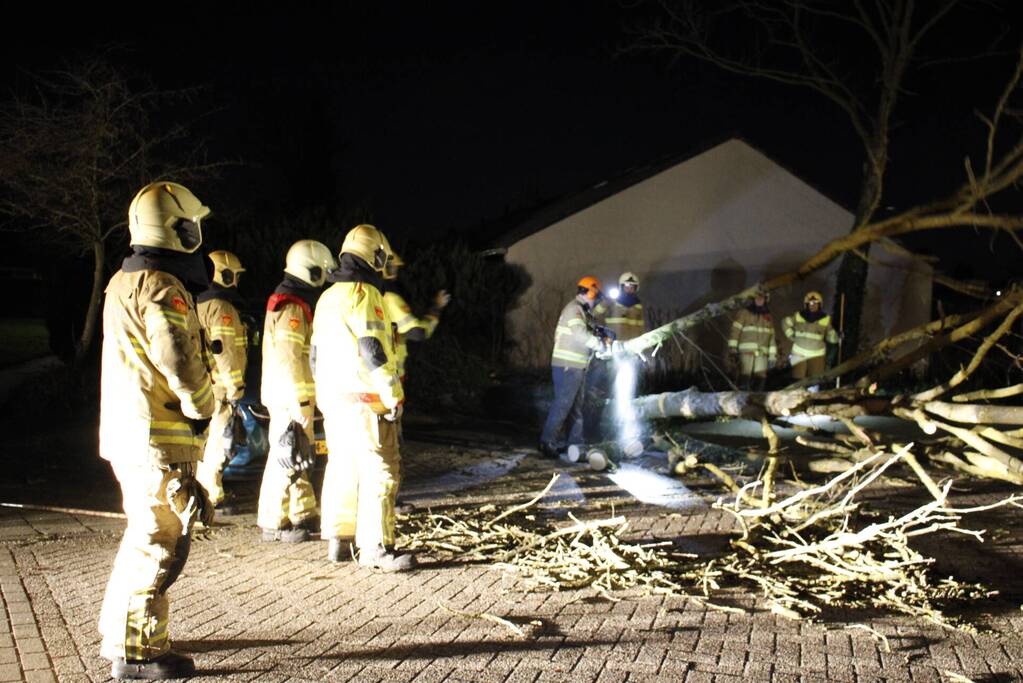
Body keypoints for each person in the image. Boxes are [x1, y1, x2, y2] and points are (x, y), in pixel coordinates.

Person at [97, 181, 215, 680]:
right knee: (160, 542)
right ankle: (138, 653)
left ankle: (117, 631)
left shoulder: (123, 281)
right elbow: (177, 355)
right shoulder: (163, 284)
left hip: (130, 432)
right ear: (181, 230)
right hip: (160, 437)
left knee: (141, 535)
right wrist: (203, 404)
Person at [314, 224, 413, 570]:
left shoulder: (327, 297)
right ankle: (376, 548)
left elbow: (314, 355)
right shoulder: (365, 293)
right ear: (376, 255)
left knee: (341, 468)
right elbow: (373, 349)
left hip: (334, 400)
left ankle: (338, 541)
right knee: (380, 471)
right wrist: (393, 395)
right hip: (366, 400)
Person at [256, 240, 336, 543]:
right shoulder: (291, 305)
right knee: (286, 456)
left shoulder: (292, 300)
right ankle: (274, 521)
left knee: (299, 455)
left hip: (292, 395)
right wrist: (301, 398)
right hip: (292, 396)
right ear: (311, 269)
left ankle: (302, 514)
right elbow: (290, 357)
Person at [381, 252, 450, 513]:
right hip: (389, 380)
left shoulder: (364, 297)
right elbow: (419, 332)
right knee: (391, 444)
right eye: (394, 269)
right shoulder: (391, 299)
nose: (398, 274)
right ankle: (391, 500)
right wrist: (436, 309)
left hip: (365, 382)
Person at [195, 250, 248, 514]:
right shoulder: (221, 307)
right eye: (234, 275)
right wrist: (235, 387)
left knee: (206, 443)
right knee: (218, 444)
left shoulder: (200, 303)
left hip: (205, 386)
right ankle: (212, 496)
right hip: (220, 388)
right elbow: (225, 352)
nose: (237, 280)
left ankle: (206, 492)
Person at [539, 276, 610, 459]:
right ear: (590, 292)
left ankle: (575, 445)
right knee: (563, 405)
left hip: (577, 367)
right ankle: (547, 442)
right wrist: (600, 345)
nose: (596, 300)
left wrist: (601, 332)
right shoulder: (574, 310)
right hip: (567, 367)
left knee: (575, 408)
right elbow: (580, 334)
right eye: (596, 296)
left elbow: (592, 325)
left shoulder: (583, 311)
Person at [586, 272, 646, 441]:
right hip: (612, 354)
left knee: (625, 393)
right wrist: (604, 302)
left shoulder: (638, 305)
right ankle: (594, 430)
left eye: (632, 286)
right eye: (627, 286)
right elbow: (593, 315)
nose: (629, 289)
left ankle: (620, 430)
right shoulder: (611, 302)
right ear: (621, 286)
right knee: (603, 391)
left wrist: (641, 349)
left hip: (630, 354)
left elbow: (641, 329)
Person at [726, 287, 777, 391]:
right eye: (757, 297)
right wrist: (732, 348)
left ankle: (757, 400)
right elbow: (735, 331)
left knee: (761, 377)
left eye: (762, 298)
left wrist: (773, 356)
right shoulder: (744, 313)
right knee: (744, 376)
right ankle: (742, 400)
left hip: (762, 353)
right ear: (753, 299)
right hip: (746, 352)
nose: (759, 300)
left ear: (766, 299)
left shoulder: (768, 317)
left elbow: (772, 338)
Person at [783, 290, 840, 380]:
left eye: (815, 303)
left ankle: (812, 394)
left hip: (816, 355)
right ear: (806, 304)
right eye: (810, 303)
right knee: (796, 380)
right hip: (798, 353)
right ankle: (796, 394)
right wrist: (791, 336)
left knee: (815, 381)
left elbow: (831, 337)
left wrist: (837, 336)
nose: (813, 305)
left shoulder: (826, 319)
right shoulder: (798, 316)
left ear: (820, 305)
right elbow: (785, 322)